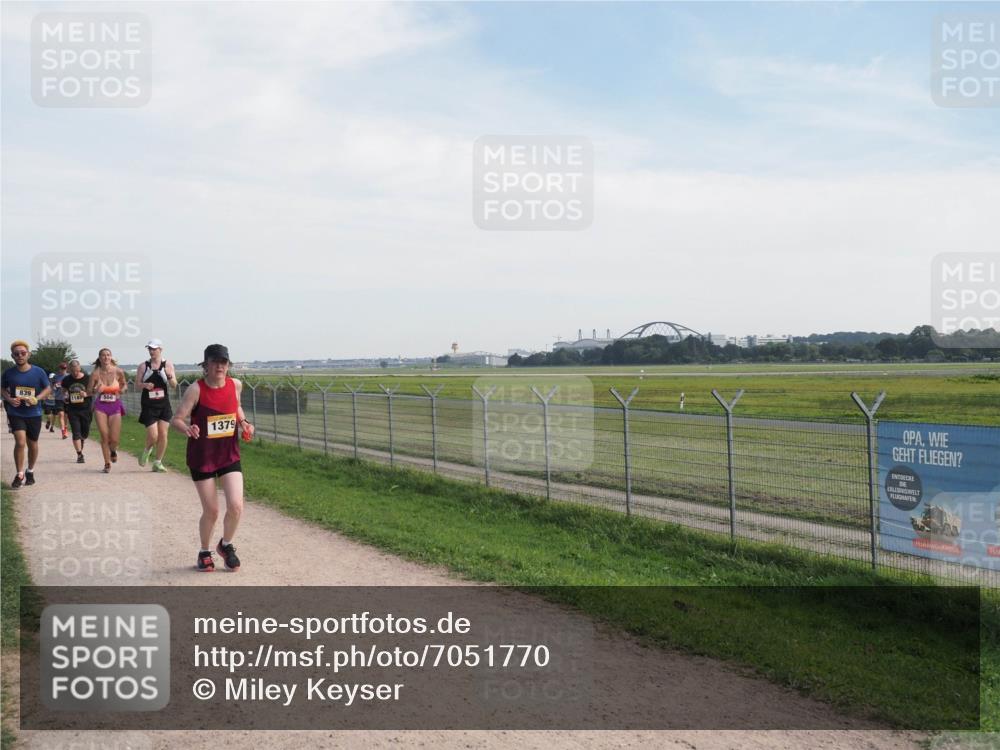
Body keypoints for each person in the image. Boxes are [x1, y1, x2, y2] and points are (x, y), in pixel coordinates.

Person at [171, 344, 253, 572]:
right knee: (212, 511)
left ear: (228, 365)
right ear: (205, 365)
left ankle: (226, 545)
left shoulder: (235, 385)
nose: (219, 366)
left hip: (228, 454)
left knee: (236, 506)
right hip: (203, 457)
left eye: (223, 362)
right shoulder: (195, 390)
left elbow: (237, 407)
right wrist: (187, 428)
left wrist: (244, 422)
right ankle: (204, 551)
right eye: (214, 362)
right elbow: (176, 419)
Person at [1, 340, 51, 488]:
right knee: (20, 442)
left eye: (23, 353)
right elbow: (2, 388)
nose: (20, 356)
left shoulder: (38, 372)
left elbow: (48, 389)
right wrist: (9, 399)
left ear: (28, 354)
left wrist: (37, 398)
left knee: (32, 443)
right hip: (15, 412)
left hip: (34, 413)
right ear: (12, 356)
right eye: (16, 354)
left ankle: (30, 471)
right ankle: (19, 474)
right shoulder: (8, 373)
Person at [136, 339, 178, 473]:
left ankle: (158, 462)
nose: (151, 351)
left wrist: (169, 376)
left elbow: (174, 385)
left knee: (163, 434)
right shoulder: (143, 366)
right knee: (153, 435)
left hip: (164, 404)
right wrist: (145, 385)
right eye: (150, 349)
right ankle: (147, 450)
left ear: (160, 349)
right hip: (148, 405)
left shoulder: (168, 364)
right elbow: (137, 385)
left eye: (154, 349)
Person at [88, 348, 128, 473]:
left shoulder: (118, 371)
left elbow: (124, 384)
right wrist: (95, 390)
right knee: (104, 436)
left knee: (114, 439)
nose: (106, 357)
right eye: (103, 355)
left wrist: (121, 390)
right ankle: (107, 463)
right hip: (101, 406)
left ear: (111, 357)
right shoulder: (95, 374)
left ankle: (113, 450)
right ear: (99, 358)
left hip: (115, 406)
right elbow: (89, 391)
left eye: (108, 355)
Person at [62, 359, 93, 463]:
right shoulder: (66, 380)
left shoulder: (88, 378)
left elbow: (94, 391)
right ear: (69, 370)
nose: (75, 373)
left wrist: (86, 394)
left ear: (80, 368)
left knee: (85, 432)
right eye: (72, 371)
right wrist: (65, 396)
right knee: (76, 432)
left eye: (76, 370)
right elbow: (64, 391)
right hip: (72, 410)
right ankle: (79, 454)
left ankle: (82, 439)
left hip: (86, 409)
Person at [52, 362, 69, 438]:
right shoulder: (56, 377)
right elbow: (52, 386)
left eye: (64, 368)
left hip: (67, 398)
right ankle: (63, 432)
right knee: (61, 415)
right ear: (59, 369)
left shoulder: (69, 376)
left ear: (66, 369)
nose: (63, 370)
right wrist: (54, 387)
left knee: (66, 415)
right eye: (62, 368)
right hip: (58, 398)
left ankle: (65, 428)